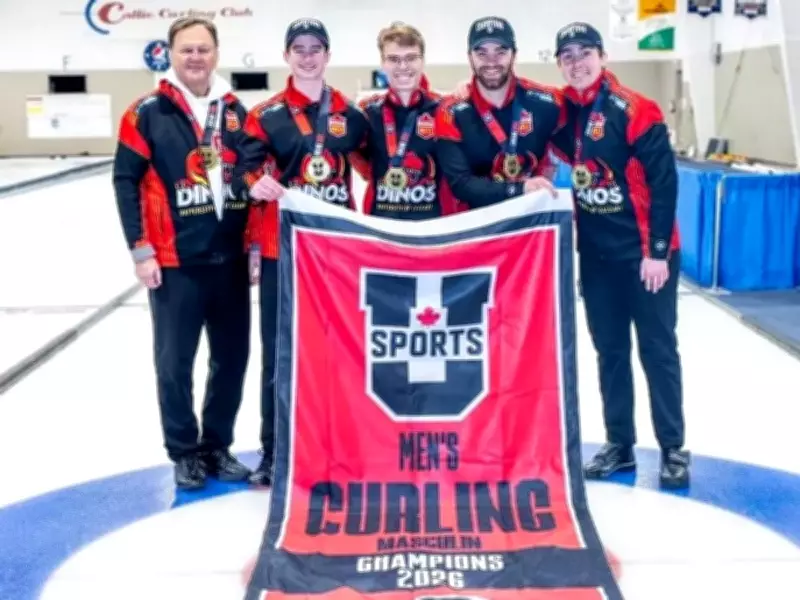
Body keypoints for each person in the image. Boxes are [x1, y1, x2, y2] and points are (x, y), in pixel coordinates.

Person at [112, 17, 253, 490]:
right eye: (186, 49)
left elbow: (253, 178)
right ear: (170, 54)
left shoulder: (235, 111)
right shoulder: (145, 112)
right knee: (174, 364)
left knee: (231, 360)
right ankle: (184, 452)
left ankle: (216, 446)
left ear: (217, 54)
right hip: (174, 262)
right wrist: (140, 249)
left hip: (229, 260)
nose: (196, 57)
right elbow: (125, 181)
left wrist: (254, 244)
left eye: (203, 49)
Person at [549, 22, 689, 489]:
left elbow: (664, 184)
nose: (577, 63)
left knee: (657, 349)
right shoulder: (562, 113)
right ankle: (619, 444)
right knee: (609, 352)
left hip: (645, 256)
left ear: (603, 56)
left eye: (584, 53)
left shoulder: (637, 109)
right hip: (597, 259)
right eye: (567, 56)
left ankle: (673, 447)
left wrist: (657, 252)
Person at [232, 18, 370, 486]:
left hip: (337, 252)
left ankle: (338, 447)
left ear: (328, 55)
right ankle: (275, 451)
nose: (308, 57)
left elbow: (378, 170)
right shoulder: (265, 115)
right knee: (279, 354)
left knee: (338, 352)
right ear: (286, 56)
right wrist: (255, 184)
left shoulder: (352, 115)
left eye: (316, 48)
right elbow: (242, 173)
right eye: (299, 49)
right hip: (284, 253)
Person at [434, 16, 565, 208]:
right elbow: (460, 184)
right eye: (482, 53)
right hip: (479, 220)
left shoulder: (548, 102)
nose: (491, 62)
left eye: (500, 52)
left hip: (533, 218)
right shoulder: (451, 111)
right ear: (470, 57)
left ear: (514, 55)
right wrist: (520, 188)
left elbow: (590, 108)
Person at [354, 22, 460, 219]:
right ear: (382, 63)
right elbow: (359, 163)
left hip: (432, 227)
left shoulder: (444, 110)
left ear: (423, 61)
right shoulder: (367, 112)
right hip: (381, 226)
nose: (403, 66)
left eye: (411, 58)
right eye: (394, 59)